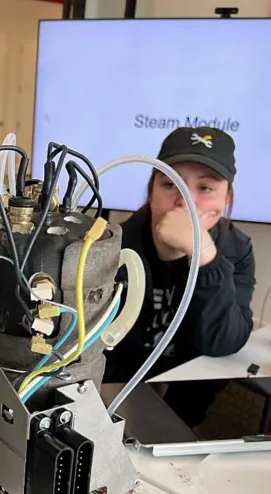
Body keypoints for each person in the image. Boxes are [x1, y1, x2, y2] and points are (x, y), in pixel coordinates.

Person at [104, 126, 256, 426]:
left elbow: (223, 341)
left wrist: (204, 256)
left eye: (205, 188)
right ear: (151, 191)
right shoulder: (112, 246)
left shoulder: (236, 250)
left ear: (225, 200)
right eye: (171, 184)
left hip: (190, 409)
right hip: (115, 401)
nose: (184, 201)